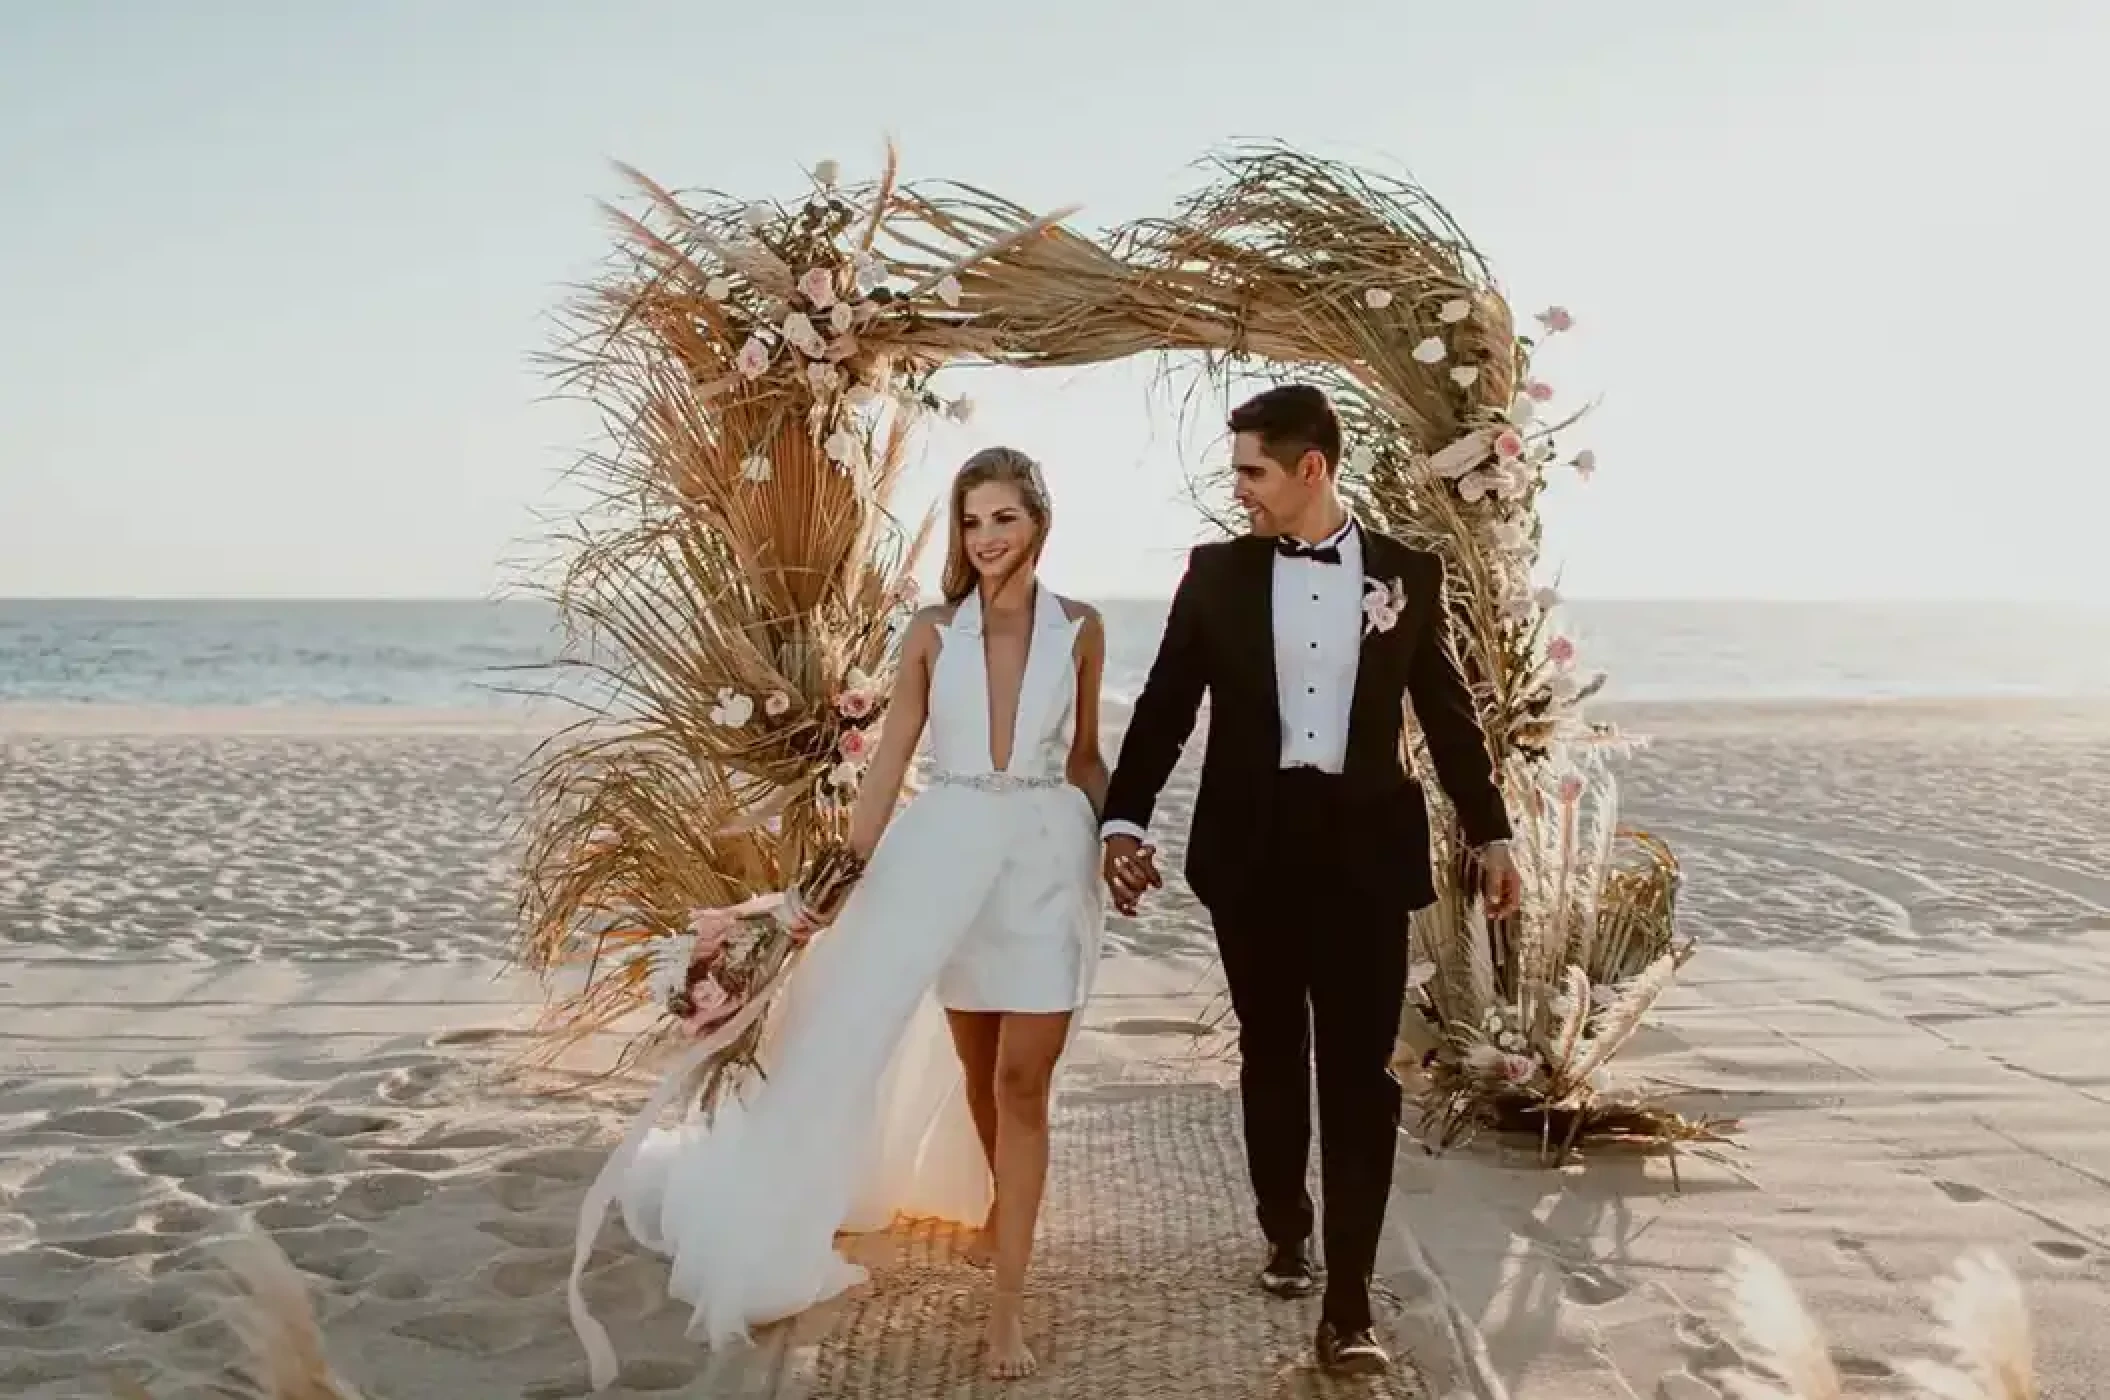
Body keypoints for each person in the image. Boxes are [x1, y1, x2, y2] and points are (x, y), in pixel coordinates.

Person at [600, 446, 1105, 1382]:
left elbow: (1084, 759)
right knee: (974, 1055)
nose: (985, 537)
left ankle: (1007, 1310)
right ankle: (995, 1205)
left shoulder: (1081, 629)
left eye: (1002, 517)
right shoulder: (929, 632)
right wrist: (841, 872)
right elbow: (890, 761)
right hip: (945, 856)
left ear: (1038, 519)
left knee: (1023, 1083)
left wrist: (1115, 836)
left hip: (1044, 860)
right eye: (970, 520)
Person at [1099, 384, 1520, 1376]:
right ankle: (1283, 1219)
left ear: (1309, 469)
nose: (1239, 489)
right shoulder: (1215, 577)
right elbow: (1164, 706)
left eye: (1251, 470)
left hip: (1367, 851)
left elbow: (1451, 720)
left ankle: (1347, 1301)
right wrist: (1122, 816)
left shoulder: (1409, 575)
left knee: (1362, 1074)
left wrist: (1491, 833)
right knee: (1272, 1049)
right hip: (1249, 844)